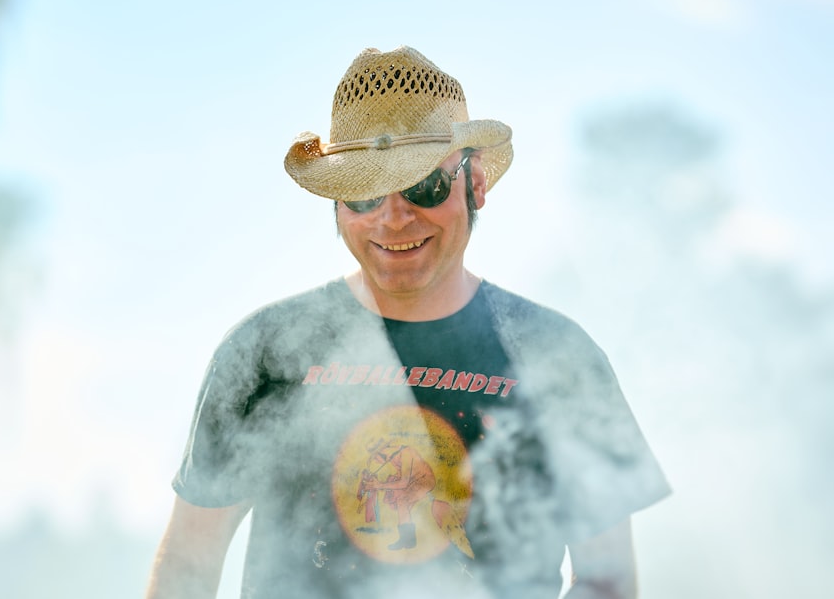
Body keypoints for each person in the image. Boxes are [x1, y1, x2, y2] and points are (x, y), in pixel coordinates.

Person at [145, 46, 670, 599]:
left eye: (424, 185)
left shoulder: (559, 357)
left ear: (478, 184)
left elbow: (607, 580)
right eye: (365, 193)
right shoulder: (263, 351)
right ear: (336, 203)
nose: (393, 218)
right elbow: (188, 565)